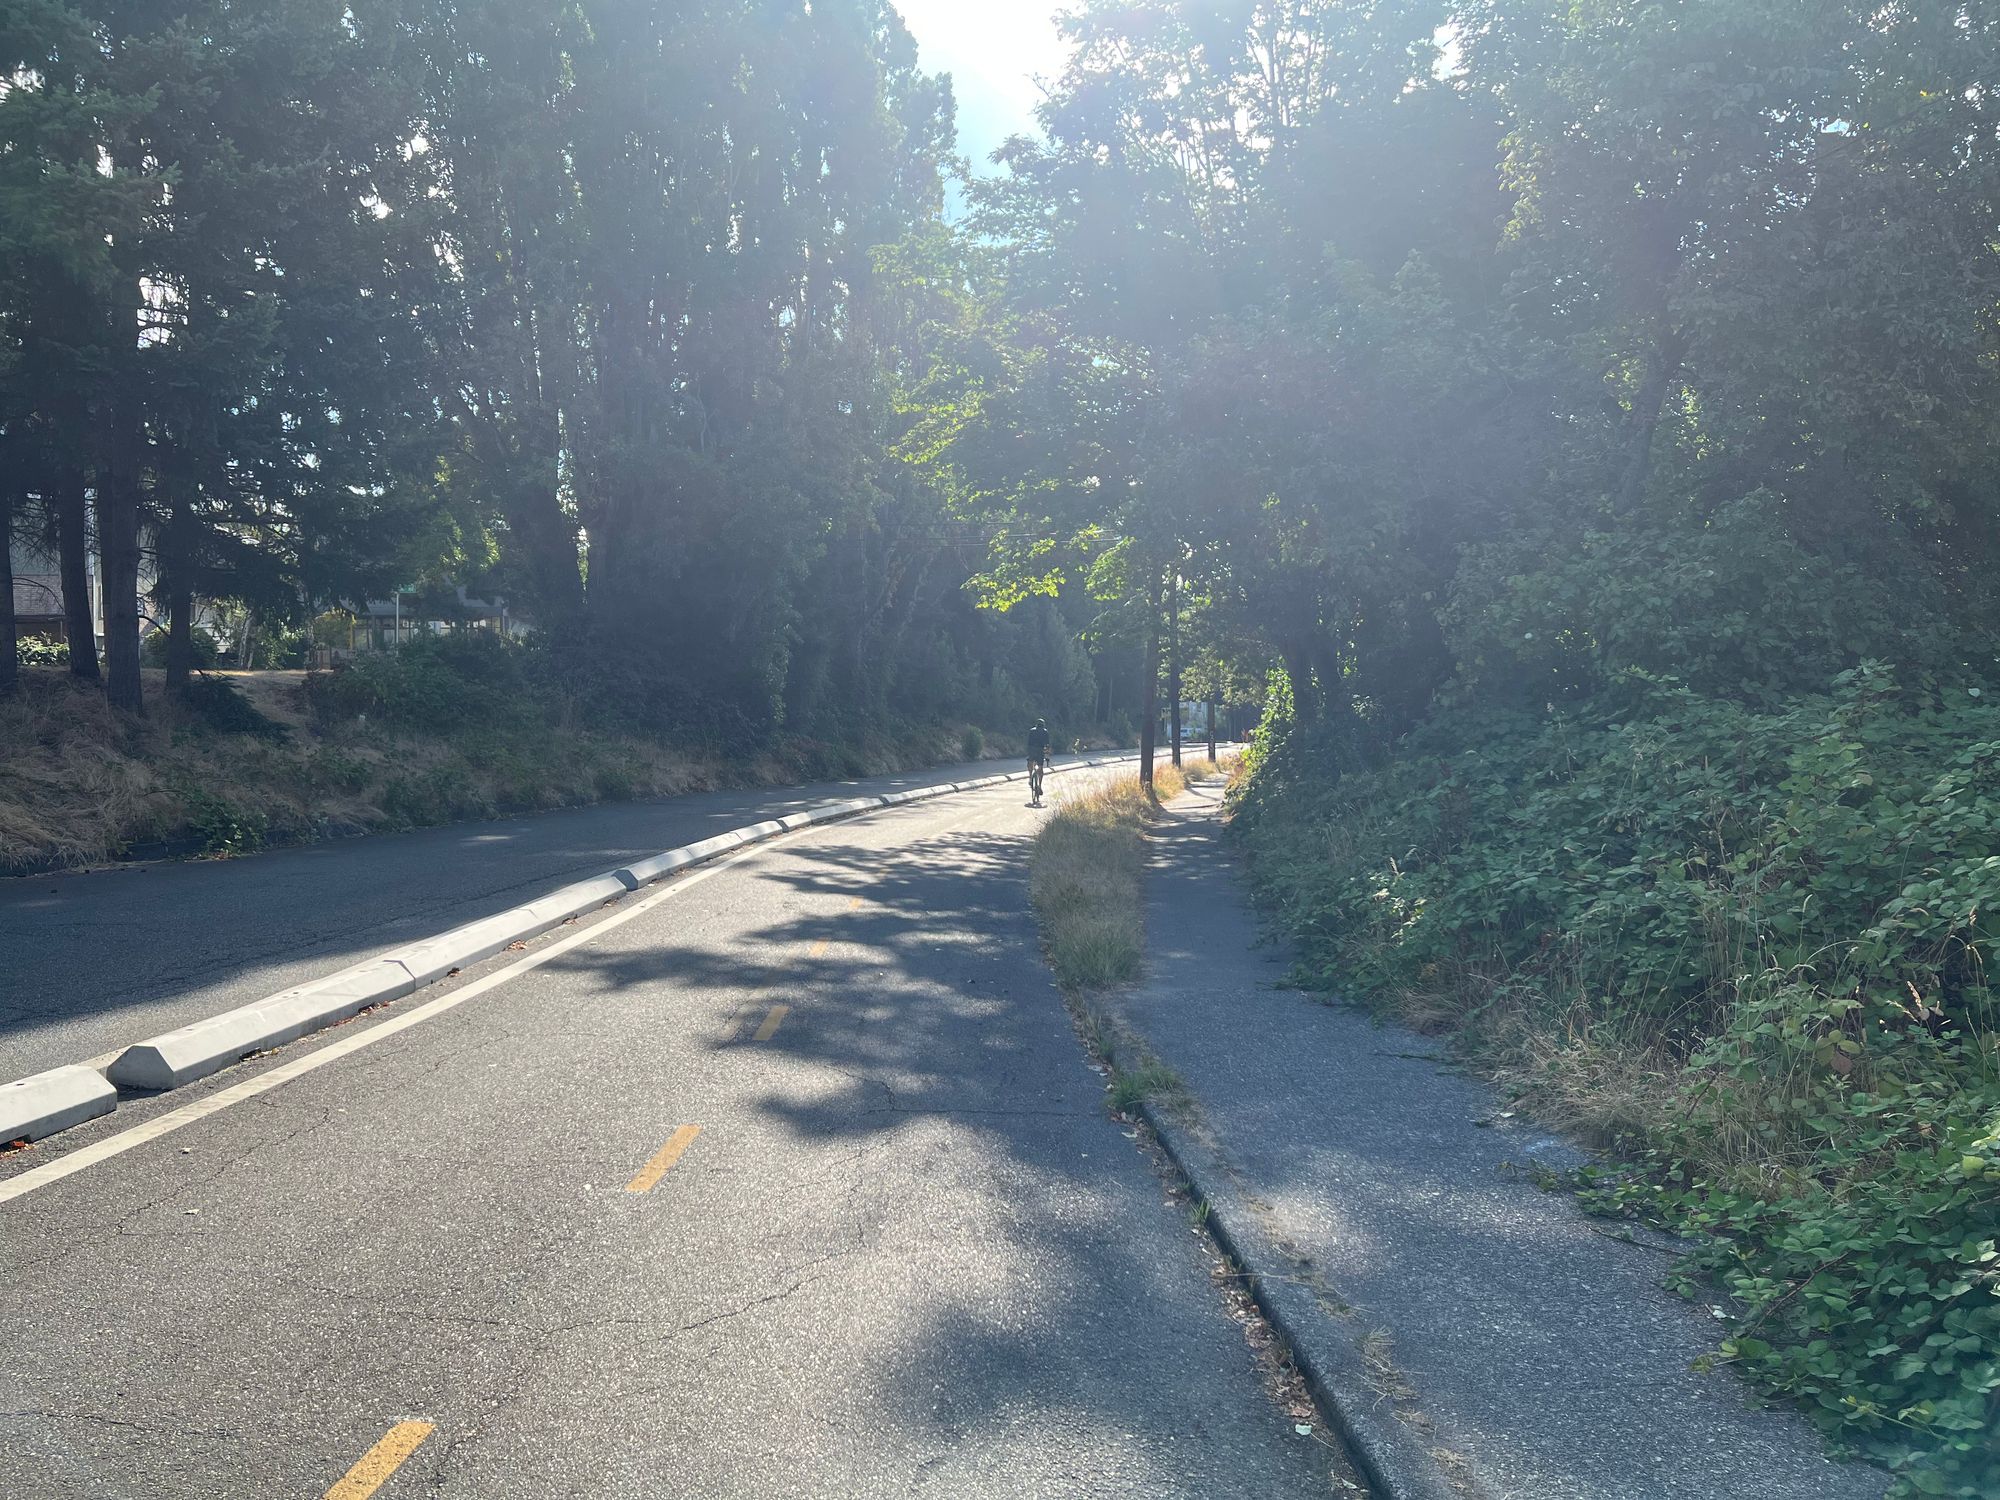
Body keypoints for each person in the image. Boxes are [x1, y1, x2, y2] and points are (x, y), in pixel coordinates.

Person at [1026, 718, 1052, 805]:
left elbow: (1028, 743)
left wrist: (1029, 752)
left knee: (1030, 763)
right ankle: (1039, 786)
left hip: (1032, 750)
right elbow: (1047, 745)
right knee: (1040, 769)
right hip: (1040, 751)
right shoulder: (1045, 732)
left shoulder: (1031, 731)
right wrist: (1047, 755)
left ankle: (1030, 778)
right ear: (1043, 725)